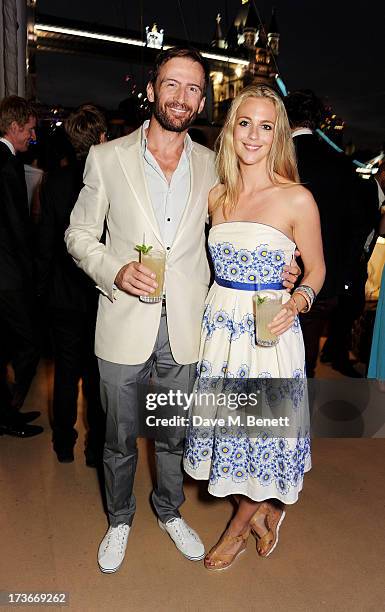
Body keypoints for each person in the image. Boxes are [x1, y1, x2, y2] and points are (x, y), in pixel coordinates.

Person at [65, 47, 300, 574]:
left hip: (190, 330)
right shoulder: (107, 158)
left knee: (173, 432)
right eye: (172, 84)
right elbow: (78, 234)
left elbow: (249, 227)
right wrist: (115, 270)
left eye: (193, 88)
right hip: (124, 320)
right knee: (121, 434)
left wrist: (284, 271)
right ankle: (120, 518)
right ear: (151, 90)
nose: (181, 96)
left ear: (201, 100)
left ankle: (168, 510)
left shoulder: (213, 165)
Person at [183, 85, 325, 570]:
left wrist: (300, 295)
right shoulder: (216, 195)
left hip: (269, 337)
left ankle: (238, 528)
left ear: (277, 135)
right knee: (233, 434)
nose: (253, 135)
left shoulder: (297, 198)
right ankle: (265, 509)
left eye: (266, 126)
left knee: (261, 434)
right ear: (231, 128)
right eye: (245, 123)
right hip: (220, 334)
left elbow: (317, 270)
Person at [36, 105, 107, 464]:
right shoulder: (109, 180)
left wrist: (42, 293)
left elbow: (46, 243)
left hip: (62, 296)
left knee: (65, 373)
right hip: (100, 296)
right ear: (101, 138)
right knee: (97, 376)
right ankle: (96, 449)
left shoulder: (55, 181)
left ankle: (63, 444)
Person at [284, 90, 356, 377]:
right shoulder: (341, 163)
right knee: (306, 361)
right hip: (326, 284)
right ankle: (304, 417)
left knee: (278, 361)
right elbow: (356, 224)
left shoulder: (279, 159)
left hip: (283, 280)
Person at [0, 95, 43, 438]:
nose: (32, 136)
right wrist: (31, 270)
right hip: (9, 274)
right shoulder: (6, 164)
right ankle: (7, 411)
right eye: (29, 129)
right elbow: (16, 226)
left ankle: (5, 412)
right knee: (29, 343)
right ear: (14, 127)